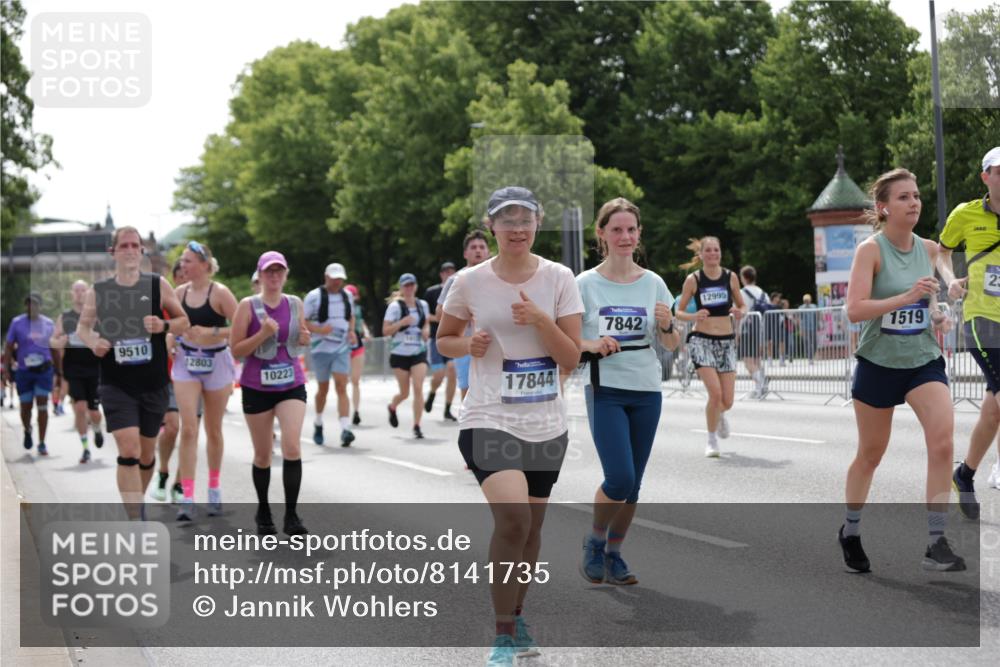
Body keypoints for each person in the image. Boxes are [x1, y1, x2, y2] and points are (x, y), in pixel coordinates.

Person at [437, 186, 583, 666]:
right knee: (514, 519)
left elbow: (570, 358)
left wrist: (542, 320)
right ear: (492, 225)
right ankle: (501, 636)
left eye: (525, 219)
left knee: (532, 529)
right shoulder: (470, 281)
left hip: (545, 422)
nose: (517, 228)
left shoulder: (560, 277)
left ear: (538, 221)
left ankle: (516, 614)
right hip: (487, 416)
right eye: (507, 220)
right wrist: (469, 345)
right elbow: (444, 339)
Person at [839, 168, 964, 573]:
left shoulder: (928, 249)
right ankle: (851, 530)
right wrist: (904, 297)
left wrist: (938, 314)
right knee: (871, 455)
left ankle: (935, 541)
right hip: (878, 362)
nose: (914, 203)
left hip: (922, 360)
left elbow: (927, 304)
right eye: (904, 197)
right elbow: (855, 311)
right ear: (884, 207)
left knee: (943, 442)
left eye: (916, 196)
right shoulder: (870, 251)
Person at [576, 198, 680, 587]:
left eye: (631, 230)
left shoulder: (653, 282)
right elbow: (569, 339)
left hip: (646, 389)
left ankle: (615, 554)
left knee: (634, 484)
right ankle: (595, 541)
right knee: (618, 478)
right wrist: (592, 343)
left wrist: (669, 324)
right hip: (606, 388)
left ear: (639, 235)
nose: (625, 237)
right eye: (616, 229)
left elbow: (670, 345)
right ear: (601, 234)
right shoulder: (584, 284)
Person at [77, 226, 190, 519]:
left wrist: (163, 326)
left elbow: (183, 321)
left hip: (153, 383)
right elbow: (83, 327)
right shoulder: (99, 291)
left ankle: (136, 504)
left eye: (134, 245)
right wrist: (93, 342)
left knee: (146, 454)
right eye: (123, 245)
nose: (129, 250)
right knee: (128, 448)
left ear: (141, 251)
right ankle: (135, 520)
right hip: (116, 382)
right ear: (113, 252)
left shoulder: (157, 285)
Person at [936, 146, 1000, 520]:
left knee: (993, 410)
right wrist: (950, 282)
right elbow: (942, 253)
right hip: (981, 318)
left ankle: (966, 473)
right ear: (986, 177)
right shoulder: (966, 214)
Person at [230, 251, 310, 536]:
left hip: (291, 383)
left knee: (292, 446)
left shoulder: (295, 303)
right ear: (260, 275)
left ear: (285, 274)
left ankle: (291, 515)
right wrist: (262, 334)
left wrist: (304, 338)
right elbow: (236, 351)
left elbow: (300, 338)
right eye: (268, 271)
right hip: (256, 386)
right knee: (263, 455)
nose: (274, 276)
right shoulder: (247, 306)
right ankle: (263, 510)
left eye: (279, 271)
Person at [172, 241, 238, 520]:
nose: (182, 266)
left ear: (204, 265)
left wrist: (211, 331)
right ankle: (187, 496)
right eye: (182, 261)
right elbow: (171, 326)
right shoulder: (178, 293)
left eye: (187, 261)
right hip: (187, 362)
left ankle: (213, 488)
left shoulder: (220, 293)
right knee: (188, 429)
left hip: (217, 363)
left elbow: (242, 328)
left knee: (213, 429)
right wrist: (172, 338)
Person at [674, 237, 746, 457]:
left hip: (727, 343)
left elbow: (742, 304)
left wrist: (740, 310)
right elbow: (678, 311)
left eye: (717, 250)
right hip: (701, 340)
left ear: (720, 253)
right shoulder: (693, 279)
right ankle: (711, 440)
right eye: (709, 250)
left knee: (728, 401)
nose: (713, 253)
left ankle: (719, 414)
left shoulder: (730, 277)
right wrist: (694, 315)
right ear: (702, 255)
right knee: (715, 394)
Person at [51, 280, 105, 463]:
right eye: (77, 290)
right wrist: (59, 342)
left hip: (95, 369)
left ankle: (97, 429)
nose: (80, 293)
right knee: (80, 407)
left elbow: (109, 337)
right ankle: (85, 448)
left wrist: (99, 339)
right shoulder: (65, 317)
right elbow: (53, 340)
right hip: (73, 369)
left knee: (94, 412)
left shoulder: (96, 316)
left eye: (83, 290)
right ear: (71, 294)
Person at [304, 263, 357, 447]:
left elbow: (350, 316)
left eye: (340, 279)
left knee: (342, 386)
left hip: (341, 347)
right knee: (323, 390)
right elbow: (302, 320)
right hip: (321, 348)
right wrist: (319, 329)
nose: (337, 282)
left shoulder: (347, 296)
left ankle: (345, 429)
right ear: (326, 277)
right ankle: (318, 422)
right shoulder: (314, 296)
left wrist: (351, 331)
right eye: (334, 278)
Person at [437, 230, 493, 402]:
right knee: (468, 391)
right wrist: (465, 314)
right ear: (465, 253)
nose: (478, 250)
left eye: (482, 247)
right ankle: (469, 426)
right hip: (465, 343)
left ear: (488, 252)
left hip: (493, 342)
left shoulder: (497, 277)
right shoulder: (455, 279)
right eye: (473, 247)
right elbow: (439, 311)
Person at [5, 293, 59, 455]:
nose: (32, 307)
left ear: (40, 306)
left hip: (44, 371)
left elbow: (55, 349)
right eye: (28, 304)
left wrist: (59, 371)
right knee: (26, 406)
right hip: (24, 371)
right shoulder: (17, 323)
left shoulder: (48, 324)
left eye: (35, 304)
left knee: (42, 406)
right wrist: (6, 369)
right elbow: (9, 346)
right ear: (25, 306)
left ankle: (42, 442)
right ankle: (27, 430)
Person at [152, 260, 187, 503]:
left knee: (192, 433)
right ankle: (163, 470)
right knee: (173, 427)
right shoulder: (166, 303)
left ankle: (180, 482)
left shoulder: (211, 299)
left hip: (199, 374)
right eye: (182, 275)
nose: (187, 278)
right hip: (168, 375)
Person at [382, 273, 431, 439]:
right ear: (401, 288)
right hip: (400, 353)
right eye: (406, 285)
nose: (409, 288)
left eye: (412, 285)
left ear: (416, 286)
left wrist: (426, 331)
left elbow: (426, 324)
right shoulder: (395, 307)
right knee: (405, 393)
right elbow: (386, 330)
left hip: (418, 351)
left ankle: (417, 425)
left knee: (418, 387)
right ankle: (393, 406)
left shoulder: (422, 305)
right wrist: (402, 323)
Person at [424, 261, 458, 421]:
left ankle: (447, 408)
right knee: (439, 374)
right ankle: (432, 393)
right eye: (446, 272)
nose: (449, 274)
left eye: (451, 271)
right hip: (435, 337)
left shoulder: (458, 289)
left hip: (452, 336)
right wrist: (441, 318)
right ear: (441, 274)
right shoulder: (432, 292)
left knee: (452, 370)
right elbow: (426, 315)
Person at [738, 265, 768, 396]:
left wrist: (736, 332)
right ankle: (759, 388)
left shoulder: (741, 293)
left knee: (748, 361)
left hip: (747, 330)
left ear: (744, 278)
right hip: (761, 330)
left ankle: (760, 383)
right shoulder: (764, 294)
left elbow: (738, 315)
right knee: (757, 360)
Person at [344, 284, 370, 426]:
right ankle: (344, 412)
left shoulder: (358, 309)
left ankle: (356, 411)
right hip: (342, 346)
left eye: (352, 295)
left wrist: (366, 332)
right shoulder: (339, 308)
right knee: (342, 382)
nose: (350, 298)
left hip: (357, 344)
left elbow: (362, 322)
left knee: (355, 380)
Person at [798, 294, 819, 363]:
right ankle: (810, 358)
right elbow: (799, 319)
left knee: (815, 343)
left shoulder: (814, 306)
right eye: (805, 300)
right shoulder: (801, 308)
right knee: (807, 343)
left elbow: (817, 316)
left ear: (810, 300)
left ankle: (812, 356)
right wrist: (801, 329)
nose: (806, 301)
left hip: (813, 328)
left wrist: (818, 325)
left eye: (808, 300)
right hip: (805, 328)